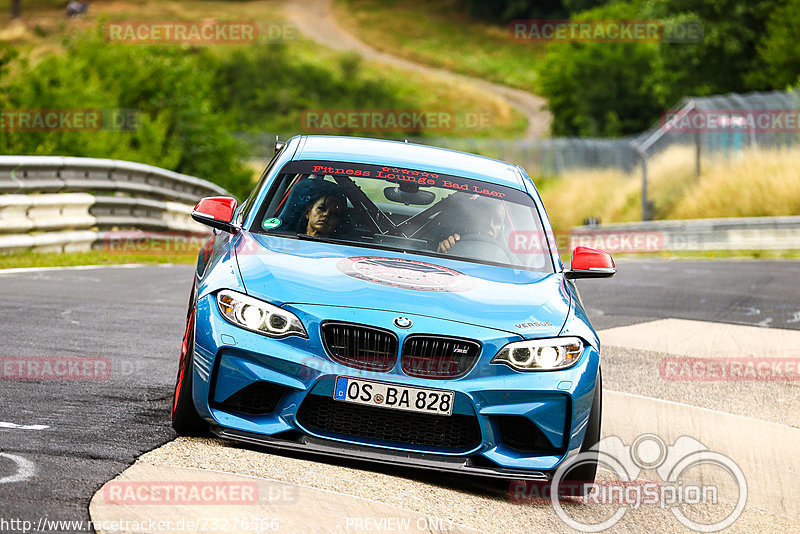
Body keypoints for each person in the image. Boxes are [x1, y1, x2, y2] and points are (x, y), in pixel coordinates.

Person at [436, 195, 505, 254]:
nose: (490, 226)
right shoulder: (454, 244)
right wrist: (443, 251)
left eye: (497, 222)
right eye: (486, 219)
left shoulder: (507, 259)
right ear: (475, 219)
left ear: (502, 227)